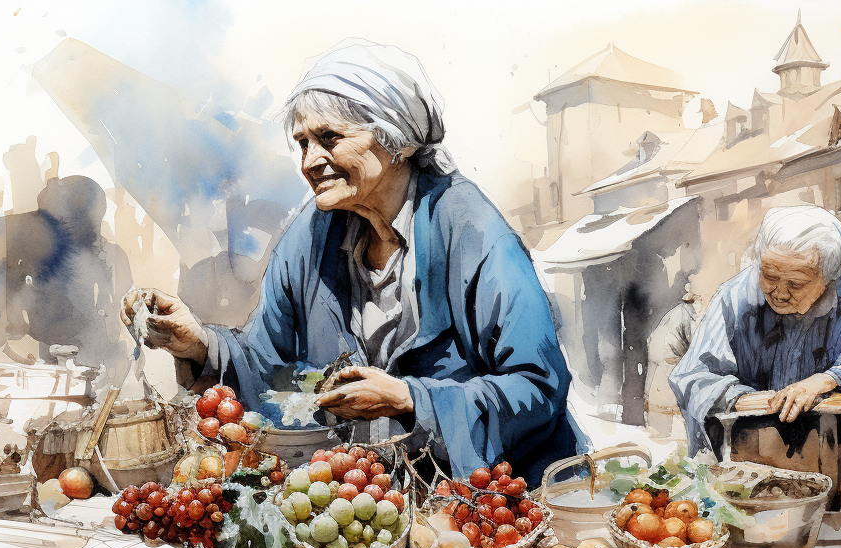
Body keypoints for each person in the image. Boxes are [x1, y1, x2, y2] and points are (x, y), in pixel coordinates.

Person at [122, 40, 583, 484]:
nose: (310, 161)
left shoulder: (472, 231)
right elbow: (271, 363)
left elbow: (538, 387)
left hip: (496, 497)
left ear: (397, 140)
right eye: (302, 143)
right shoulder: (311, 234)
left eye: (329, 138)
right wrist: (199, 342)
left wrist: (407, 397)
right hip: (370, 496)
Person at [670, 205, 841, 456]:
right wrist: (740, 399)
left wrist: (828, 380)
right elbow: (693, 375)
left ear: (829, 277)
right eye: (769, 275)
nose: (778, 292)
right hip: (763, 450)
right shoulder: (736, 294)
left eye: (796, 282)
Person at [645, 291, 700, 436]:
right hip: (670, 372)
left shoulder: (675, 312)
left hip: (657, 376)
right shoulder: (692, 315)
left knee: (660, 436)